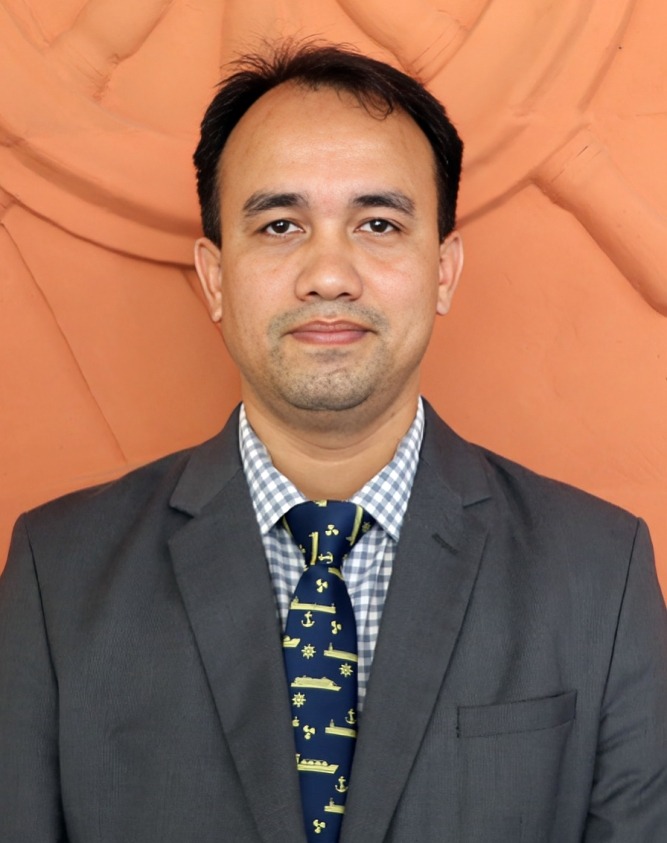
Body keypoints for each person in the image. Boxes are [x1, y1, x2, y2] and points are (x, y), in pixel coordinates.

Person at [0, 41, 665, 843]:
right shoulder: (58, 574)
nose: (328, 275)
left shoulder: (598, 573)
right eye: (279, 224)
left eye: (377, 224)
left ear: (443, 270)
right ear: (215, 277)